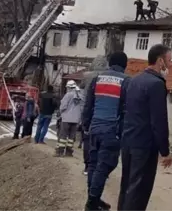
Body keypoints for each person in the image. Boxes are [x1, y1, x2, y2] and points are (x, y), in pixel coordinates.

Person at [117, 44, 172, 211]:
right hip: (145, 145)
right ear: (160, 61)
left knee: (127, 185)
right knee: (139, 190)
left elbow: (123, 109)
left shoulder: (133, 80)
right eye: (169, 61)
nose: (171, 65)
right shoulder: (156, 84)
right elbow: (159, 120)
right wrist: (165, 151)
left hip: (128, 141)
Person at [82, 51, 131, 211]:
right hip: (111, 131)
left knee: (94, 165)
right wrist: (122, 132)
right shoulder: (126, 81)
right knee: (105, 166)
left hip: (94, 129)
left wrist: (86, 125)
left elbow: (88, 104)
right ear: (124, 65)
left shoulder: (97, 78)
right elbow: (126, 110)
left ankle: (94, 199)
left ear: (110, 63)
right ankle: (92, 203)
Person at [80, 56, 108, 176]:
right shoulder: (108, 77)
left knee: (87, 139)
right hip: (103, 112)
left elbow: (81, 88)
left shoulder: (87, 75)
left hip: (88, 110)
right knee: (102, 141)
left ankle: (88, 166)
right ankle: (100, 168)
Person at [56, 80, 84, 157]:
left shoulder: (68, 95)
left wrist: (60, 113)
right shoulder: (81, 96)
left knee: (63, 135)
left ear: (69, 87)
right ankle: (69, 152)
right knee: (71, 137)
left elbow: (63, 106)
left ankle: (60, 152)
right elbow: (82, 108)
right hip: (76, 120)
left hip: (66, 118)